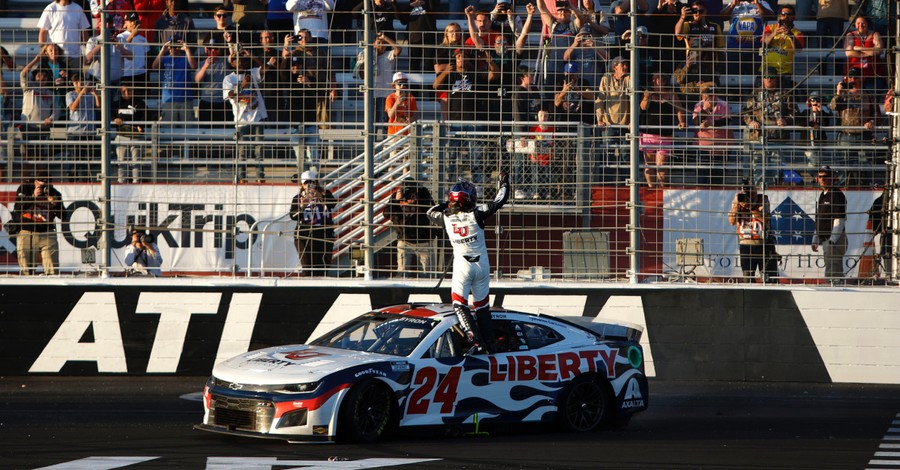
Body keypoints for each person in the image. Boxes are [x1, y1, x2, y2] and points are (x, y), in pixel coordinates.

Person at [426, 172, 511, 353]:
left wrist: (448, 205)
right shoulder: (476, 214)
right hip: (482, 266)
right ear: (471, 199)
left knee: (459, 305)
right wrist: (504, 182)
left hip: (462, 267)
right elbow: (500, 200)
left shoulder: (446, 218)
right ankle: (490, 344)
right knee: (482, 308)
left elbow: (430, 212)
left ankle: (475, 341)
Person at [223, 50, 269, 182]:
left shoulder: (252, 72)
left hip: (257, 117)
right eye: (236, 60)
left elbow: (266, 68)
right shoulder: (229, 78)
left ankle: (260, 176)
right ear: (231, 63)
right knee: (241, 150)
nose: (240, 62)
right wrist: (242, 86)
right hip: (241, 119)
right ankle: (242, 177)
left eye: (242, 59)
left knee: (259, 149)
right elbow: (229, 94)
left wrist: (253, 55)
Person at [13, 170, 65, 275]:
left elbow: (63, 215)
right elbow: (18, 208)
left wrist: (56, 204)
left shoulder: (54, 193)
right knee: (26, 269)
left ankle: (52, 288)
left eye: (47, 184)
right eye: (41, 185)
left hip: (47, 232)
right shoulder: (25, 188)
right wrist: (33, 196)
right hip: (27, 231)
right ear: (35, 182)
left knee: (52, 268)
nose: (44, 188)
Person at [639, 72, 686, 188]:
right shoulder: (648, 93)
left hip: (665, 135)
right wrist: (646, 97)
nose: (656, 81)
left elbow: (679, 109)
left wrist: (681, 121)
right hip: (648, 134)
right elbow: (643, 108)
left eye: (659, 78)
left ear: (664, 81)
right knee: (649, 165)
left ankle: (663, 188)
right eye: (654, 79)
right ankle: (651, 188)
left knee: (662, 165)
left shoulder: (671, 95)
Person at [728, 179, 778, 282]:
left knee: (769, 277)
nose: (749, 193)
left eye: (751, 190)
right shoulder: (739, 200)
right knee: (748, 278)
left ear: (756, 189)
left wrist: (750, 207)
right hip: (746, 244)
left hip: (763, 243)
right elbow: (732, 221)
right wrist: (736, 205)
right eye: (745, 190)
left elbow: (765, 219)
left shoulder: (763, 199)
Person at [384, 182, 437, 276]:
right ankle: (401, 290)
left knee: (427, 272)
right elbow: (386, 214)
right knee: (402, 271)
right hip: (404, 238)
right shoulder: (397, 196)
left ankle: (427, 290)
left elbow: (432, 211)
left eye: (412, 190)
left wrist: (419, 201)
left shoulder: (423, 194)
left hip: (423, 239)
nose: (409, 194)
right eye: (406, 190)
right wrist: (396, 200)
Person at [290, 170, 336, 275]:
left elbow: (333, 204)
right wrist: (302, 207)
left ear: (316, 183)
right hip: (304, 235)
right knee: (307, 268)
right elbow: (292, 216)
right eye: (306, 183)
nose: (309, 185)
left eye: (312, 182)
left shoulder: (325, 193)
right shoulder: (298, 198)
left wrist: (321, 197)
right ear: (302, 184)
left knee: (323, 268)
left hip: (323, 234)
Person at [742, 67, 798, 142]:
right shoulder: (755, 94)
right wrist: (751, 121)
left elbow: (795, 112)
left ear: (777, 78)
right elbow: (745, 111)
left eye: (772, 77)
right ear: (762, 79)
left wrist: (786, 121)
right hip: (758, 136)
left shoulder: (785, 94)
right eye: (766, 77)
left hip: (779, 138)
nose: (769, 79)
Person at [812, 165, 847, 282]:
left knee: (834, 271)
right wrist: (815, 238)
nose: (822, 179)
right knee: (830, 268)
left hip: (833, 240)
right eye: (820, 176)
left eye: (825, 176)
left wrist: (833, 239)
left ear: (832, 178)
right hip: (826, 239)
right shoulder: (823, 194)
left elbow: (839, 219)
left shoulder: (836, 194)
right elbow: (820, 218)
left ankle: (835, 293)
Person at [37, 0, 91, 68]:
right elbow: (43, 32)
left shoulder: (78, 9)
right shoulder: (51, 8)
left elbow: (84, 32)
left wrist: (88, 52)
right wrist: (43, 51)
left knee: (76, 78)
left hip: (75, 56)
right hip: (56, 56)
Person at [112, 84, 148, 183]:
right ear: (120, 92)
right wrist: (114, 119)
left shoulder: (140, 103)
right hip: (121, 135)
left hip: (136, 136)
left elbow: (145, 116)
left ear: (133, 90)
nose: (127, 93)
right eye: (124, 91)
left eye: (129, 90)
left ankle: (136, 181)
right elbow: (110, 115)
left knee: (136, 162)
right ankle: (121, 181)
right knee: (121, 161)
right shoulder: (116, 104)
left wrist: (141, 125)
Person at [759, 5, 804, 83]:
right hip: (766, 70)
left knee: (783, 94)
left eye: (789, 14)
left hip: (784, 72)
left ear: (794, 17)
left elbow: (798, 49)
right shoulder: (770, 28)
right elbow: (763, 44)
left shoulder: (797, 33)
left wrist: (790, 35)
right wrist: (774, 34)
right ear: (779, 16)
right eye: (783, 14)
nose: (786, 16)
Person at [867, 183, 892, 278]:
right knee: (885, 253)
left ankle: (888, 274)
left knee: (884, 253)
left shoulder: (877, 201)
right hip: (883, 233)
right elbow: (873, 219)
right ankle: (888, 274)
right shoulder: (878, 202)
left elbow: (872, 218)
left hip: (882, 233)